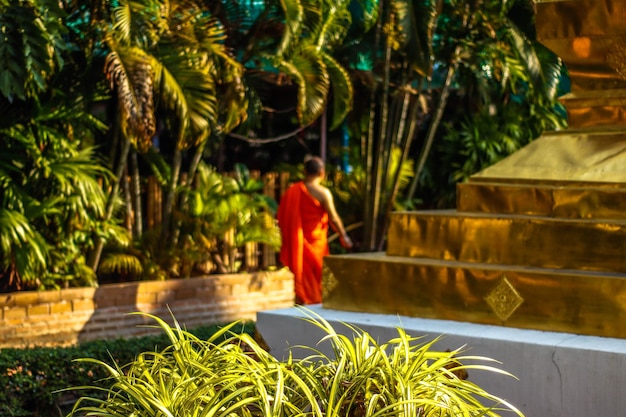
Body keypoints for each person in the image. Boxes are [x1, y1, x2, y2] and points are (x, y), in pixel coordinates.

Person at [277, 157, 353, 305]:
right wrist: (344, 236)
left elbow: (282, 218)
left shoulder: (293, 191)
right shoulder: (323, 193)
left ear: (305, 172)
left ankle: (301, 308)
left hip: (299, 244)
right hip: (316, 244)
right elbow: (334, 218)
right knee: (319, 279)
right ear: (322, 173)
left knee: (301, 278)